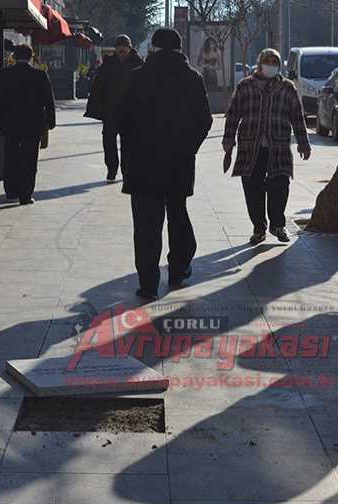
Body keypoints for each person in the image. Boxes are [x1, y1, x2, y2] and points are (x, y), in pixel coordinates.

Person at [118, 28, 213, 301]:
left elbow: (122, 118)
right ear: (179, 48)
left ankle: (148, 284)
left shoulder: (138, 77)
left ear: (155, 48)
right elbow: (204, 121)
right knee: (178, 215)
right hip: (178, 164)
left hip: (143, 165)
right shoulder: (192, 78)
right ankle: (179, 268)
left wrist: (134, 146)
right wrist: (187, 149)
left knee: (146, 226)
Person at [223, 48, 311, 245]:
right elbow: (233, 114)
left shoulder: (287, 88)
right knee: (252, 188)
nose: (271, 65)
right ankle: (258, 228)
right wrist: (228, 142)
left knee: (280, 186)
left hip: (278, 147)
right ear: (260, 62)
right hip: (250, 146)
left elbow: (297, 116)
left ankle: (278, 225)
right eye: (267, 61)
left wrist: (303, 143)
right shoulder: (245, 86)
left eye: (275, 62)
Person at [0, 44, 56, 205]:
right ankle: (26, 194)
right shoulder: (40, 75)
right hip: (33, 124)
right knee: (30, 159)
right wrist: (51, 121)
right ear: (31, 56)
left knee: (11, 157)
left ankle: (11, 191)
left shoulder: (5, 74)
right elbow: (49, 99)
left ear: (14, 57)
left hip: (10, 123)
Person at [84, 35, 143, 182]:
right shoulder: (108, 63)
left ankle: (125, 170)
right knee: (108, 141)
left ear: (129, 48)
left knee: (128, 143)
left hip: (130, 112)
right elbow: (98, 86)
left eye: (124, 46)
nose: (122, 49)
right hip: (111, 110)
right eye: (119, 46)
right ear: (115, 49)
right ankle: (112, 168)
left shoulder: (138, 63)